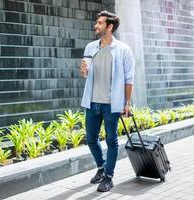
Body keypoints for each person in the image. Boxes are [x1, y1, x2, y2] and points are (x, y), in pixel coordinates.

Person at [80, 10, 135, 192]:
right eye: (97, 22)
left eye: (100, 23)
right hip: (92, 102)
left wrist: (126, 103)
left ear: (109, 27)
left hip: (112, 103)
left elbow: (129, 79)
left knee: (112, 141)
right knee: (91, 139)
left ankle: (109, 177)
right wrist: (83, 71)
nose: (96, 25)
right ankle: (101, 167)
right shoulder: (90, 47)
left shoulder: (123, 50)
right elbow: (85, 74)